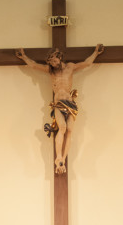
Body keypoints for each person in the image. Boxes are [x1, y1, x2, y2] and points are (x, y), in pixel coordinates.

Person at [16, 44, 104, 174]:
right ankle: (58, 156)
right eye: (51, 62)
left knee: (69, 130)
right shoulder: (50, 70)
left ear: (59, 57)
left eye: (54, 60)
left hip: (70, 103)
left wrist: (96, 52)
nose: (53, 63)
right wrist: (23, 57)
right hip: (58, 103)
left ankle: (63, 158)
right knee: (62, 127)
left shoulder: (70, 67)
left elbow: (86, 63)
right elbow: (34, 65)